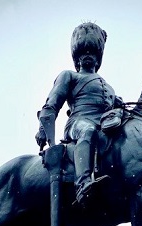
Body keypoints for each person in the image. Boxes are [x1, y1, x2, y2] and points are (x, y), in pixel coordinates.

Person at [36, 22, 123, 206]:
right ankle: (82, 183)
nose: (88, 56)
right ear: (77, 60)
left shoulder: (109, 87)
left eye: (92, 53)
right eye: (83, 54)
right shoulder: (70, 76)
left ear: (98, 59)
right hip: (79, 123)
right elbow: (52, 103)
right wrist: (44, 129)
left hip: (103, 126)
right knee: (88, 130)